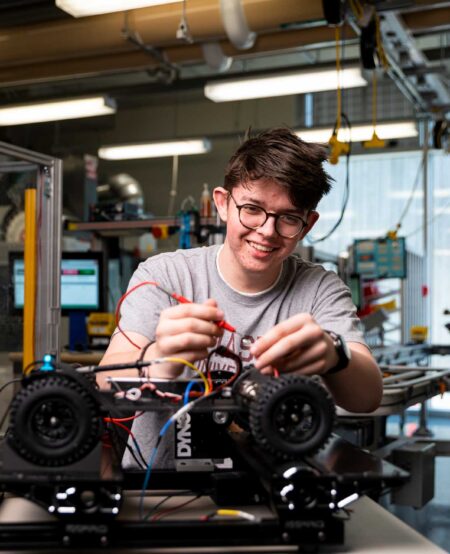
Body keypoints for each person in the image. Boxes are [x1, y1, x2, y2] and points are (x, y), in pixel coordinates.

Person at [98, 127, 383, 468]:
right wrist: (160, 358)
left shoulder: (320, 288)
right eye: (252, 209)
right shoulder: (164, 276)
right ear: (223, 203)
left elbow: (367, 398)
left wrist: (337, 355)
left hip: (270, 494)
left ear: (307, 224)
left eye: (289, 218)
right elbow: (105, 385)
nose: (266, 230)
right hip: (157, 489)